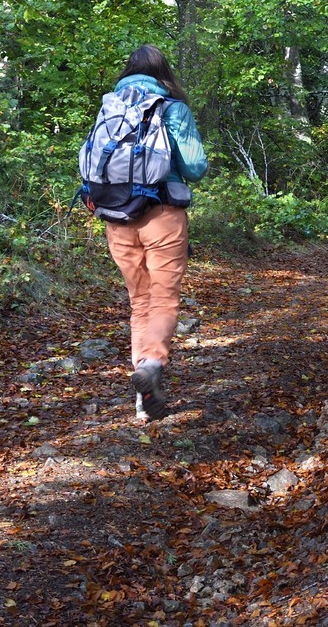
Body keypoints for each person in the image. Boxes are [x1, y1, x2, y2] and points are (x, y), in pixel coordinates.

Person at [100, 45, 208, 421]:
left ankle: (141, 402)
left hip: (116, 214)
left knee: (139, 301)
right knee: (163, 298)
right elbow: (195, 167)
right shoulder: (172, 107)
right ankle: (151, 365)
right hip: (162, 211)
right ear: (164, 72)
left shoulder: (111, 106)